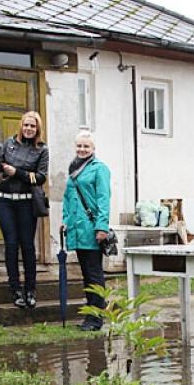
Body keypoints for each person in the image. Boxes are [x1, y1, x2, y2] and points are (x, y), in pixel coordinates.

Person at [0, 111, 49, 308]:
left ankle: (31, 290)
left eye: (32, 126)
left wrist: (16, 172)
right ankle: (15, 289)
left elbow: (40, 177)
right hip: (5, 202)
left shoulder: (41, 150)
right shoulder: (9, 144)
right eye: (26, 125)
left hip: (27, 203)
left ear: (37, 129)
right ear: (21, 126)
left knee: (27, 245)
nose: (28, 129)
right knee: (11, 244)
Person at [62, 131, 111, 331]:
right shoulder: (74, 168)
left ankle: (96, 318)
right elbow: (67, 199)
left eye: (86, 147)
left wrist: (102, 227)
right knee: (86, 275)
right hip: (77, 230)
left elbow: (103, 199)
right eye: (79, 146)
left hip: (91, 230)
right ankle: (90, 315)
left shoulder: (100, 169)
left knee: (94, 274)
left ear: (93, 149)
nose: (82, 150)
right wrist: (65, 221)